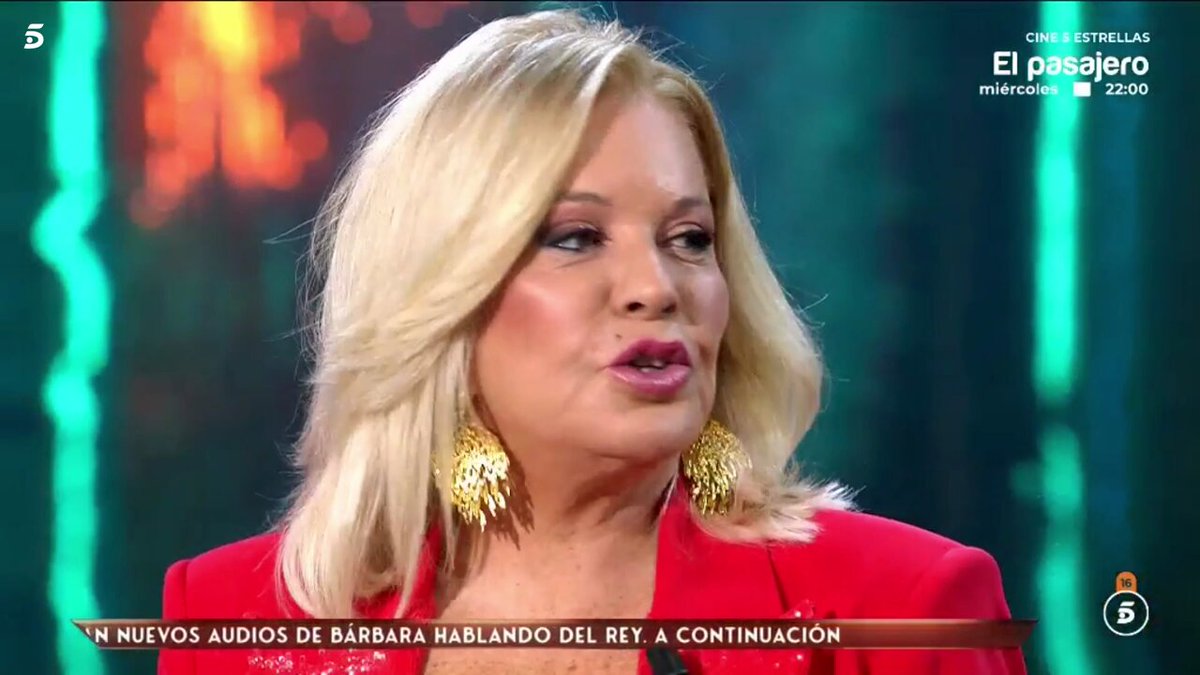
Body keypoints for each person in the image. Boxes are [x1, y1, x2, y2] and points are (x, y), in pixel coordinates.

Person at [159, 9, 1027, 675]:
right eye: (575, 237)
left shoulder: (908, 609)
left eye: (689, 238)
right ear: (442, 293)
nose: (657, 285)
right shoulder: (232, 620)